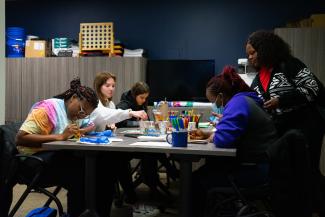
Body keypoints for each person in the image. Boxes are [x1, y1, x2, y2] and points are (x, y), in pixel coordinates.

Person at [246, 30, 325, 215]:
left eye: (253, 52)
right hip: (283, 130)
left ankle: (316, 209)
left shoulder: (289, 64)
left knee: (308, 170)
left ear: (265, 49)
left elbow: (314, 88)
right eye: (248, 54)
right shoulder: (258, 79)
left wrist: (281, 100)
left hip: (307, 125)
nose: (250, 58)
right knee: (290, 173)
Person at [15, 78, 116, 217]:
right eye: (81, 110)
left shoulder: (75, 113)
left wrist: (84, 129)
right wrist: (60, 137)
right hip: (33, 161)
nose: (81, 116)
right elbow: (20, 138)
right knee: (81, 170)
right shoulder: (47, 109)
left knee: (105, 166)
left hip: (55, 156)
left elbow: (86, 124)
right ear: (73, 98)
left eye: (85, 114)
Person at [190, 66, 278, 217]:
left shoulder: (238, 103)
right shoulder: (245, 99)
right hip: (263, 166)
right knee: (208, 168)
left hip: (253, 171)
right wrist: (210, 133)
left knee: (194, 180)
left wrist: (214, 136)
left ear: (221, 96)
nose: (216, 105)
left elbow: (223, 140)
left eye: (214, 102)